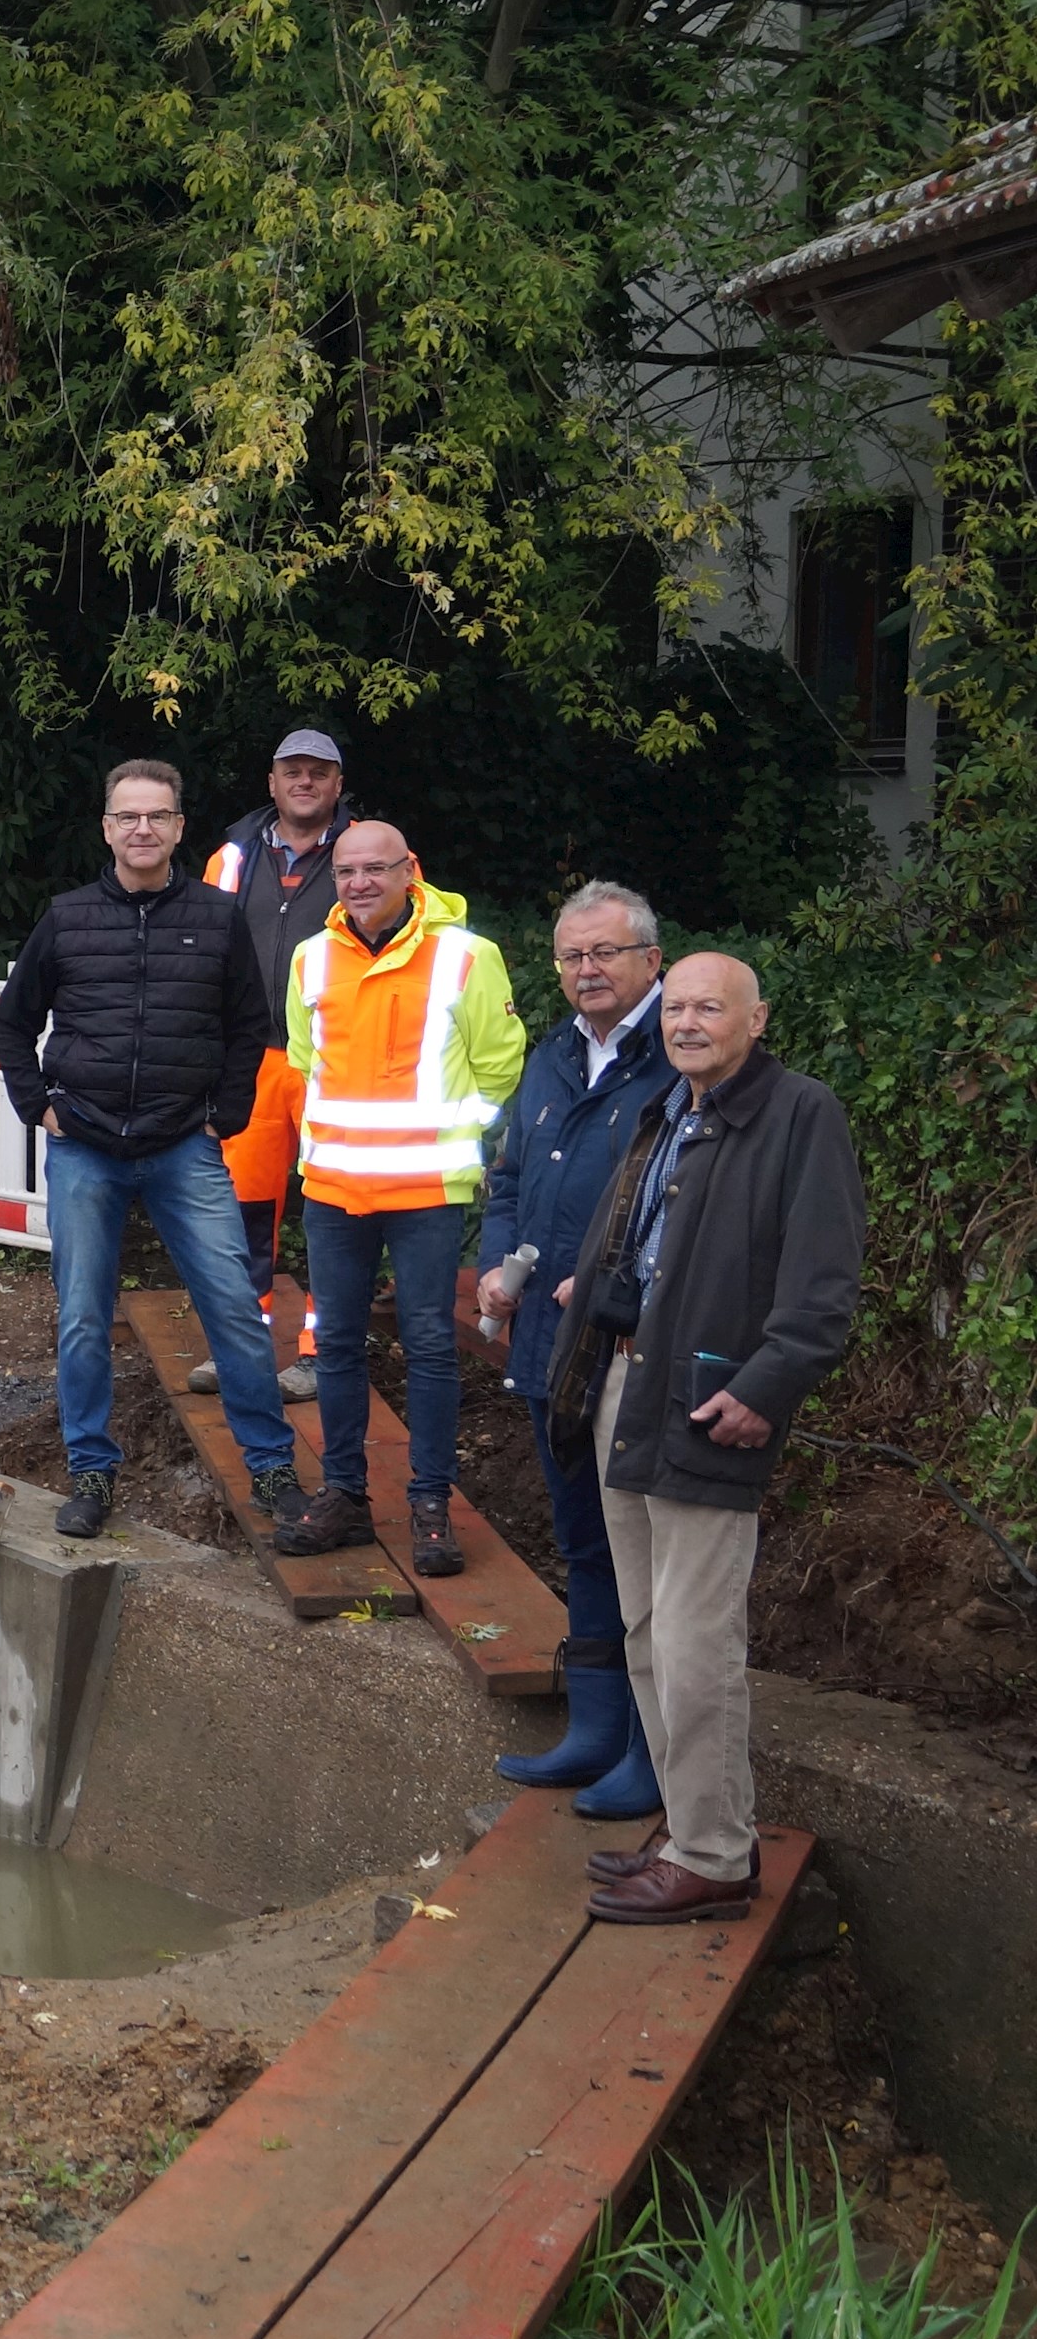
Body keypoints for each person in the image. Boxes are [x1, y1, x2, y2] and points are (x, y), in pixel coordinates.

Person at [542, 954, 862, 1924]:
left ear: (754, 1019)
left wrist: (765, 1386)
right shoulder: (666, 1109)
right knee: (646, 1630)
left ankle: (716, 1856)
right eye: (674, 1007)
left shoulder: (799, 1115)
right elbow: (646, 1245)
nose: (686, 1023)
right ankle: (689, 1832)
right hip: (624, 1390)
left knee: (694, 1639)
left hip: (706, 1400)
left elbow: (823, 1284)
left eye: (707, 1007)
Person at [0, 759, 304, 1541]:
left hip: (181, 1146)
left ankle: (270, 1465)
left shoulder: (218, 916)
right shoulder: (67, 919)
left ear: (177, 827)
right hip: (86, 1147)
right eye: (127, 816)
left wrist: (224, 1116)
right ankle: (91, 1469)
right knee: (82, 1317)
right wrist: (39, 1107)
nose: (141, 828)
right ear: (107, 828)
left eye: (156, 816)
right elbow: (10, 1021)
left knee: (233, 1306)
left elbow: (249, 1028)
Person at [272, 823, 525, 1576]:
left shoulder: (466, 956)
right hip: (335, 1191)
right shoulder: (310, 957)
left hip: (425, 1191)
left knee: (431, 1347)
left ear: (410, 871)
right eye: (345, 870)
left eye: (374, 869)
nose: (357, 882)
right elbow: (302, 1057)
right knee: (337, 1346)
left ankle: (429, 1504)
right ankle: (345, 1494)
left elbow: (500, 1067)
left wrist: (451, 1138)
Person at [479, 884, 673, 1817]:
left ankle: (649, 1745)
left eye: (604, 953)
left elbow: (684, 1203)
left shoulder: (674, 1059)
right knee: (584, 1542)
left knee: (644, 1553)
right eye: (570, 957)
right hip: (548, 1346)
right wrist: (495, 1262)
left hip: (630, 1347)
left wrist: (614, 1284)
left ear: (651, 959)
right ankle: (595, 1729)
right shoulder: (554, 1056)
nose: (586, 972)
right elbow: (509, 1170)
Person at [194, 728, 351, 1400]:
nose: (305, 781)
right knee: (241, 1212)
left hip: (335, 1059)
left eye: (319, 771)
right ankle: (239, 1343)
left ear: (337, 785)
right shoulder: (229, 858)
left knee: (331, 1208)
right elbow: (195, 950)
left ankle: (322, 1352)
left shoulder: (369, 854)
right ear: (272, 781)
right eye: (293, 770)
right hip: (249, 1060)